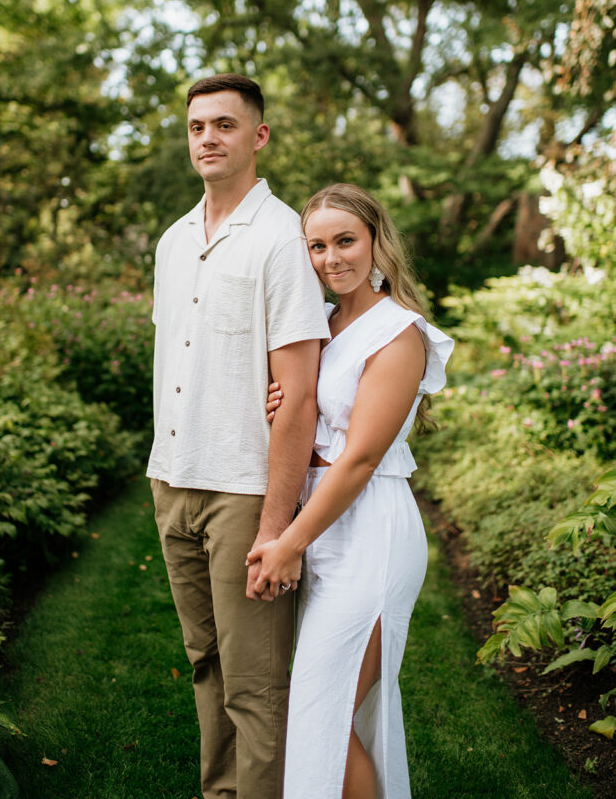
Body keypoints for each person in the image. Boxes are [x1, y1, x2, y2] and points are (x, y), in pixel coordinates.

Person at [146, 73, 330, 799]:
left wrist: (279, 524)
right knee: (206, 667)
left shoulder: (283, 238)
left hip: (244, 492)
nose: (207, 139)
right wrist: (159, 470)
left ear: (258, 137)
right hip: (173, 481)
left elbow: (302, 393)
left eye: (224, 125)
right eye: (197, 127)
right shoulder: (173, 241)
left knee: (254, 688)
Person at [247, 183, 454, 799]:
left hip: (370, 536)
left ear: (375, 243)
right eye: (316, 246)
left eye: (345, 241)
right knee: (335, 717)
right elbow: (313, 419)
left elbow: (360, 457)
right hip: (326, 529)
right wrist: (279, 406)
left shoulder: (398, 334)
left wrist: (288, 541)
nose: (330, 259)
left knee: (323, 721)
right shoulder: (325, 324)